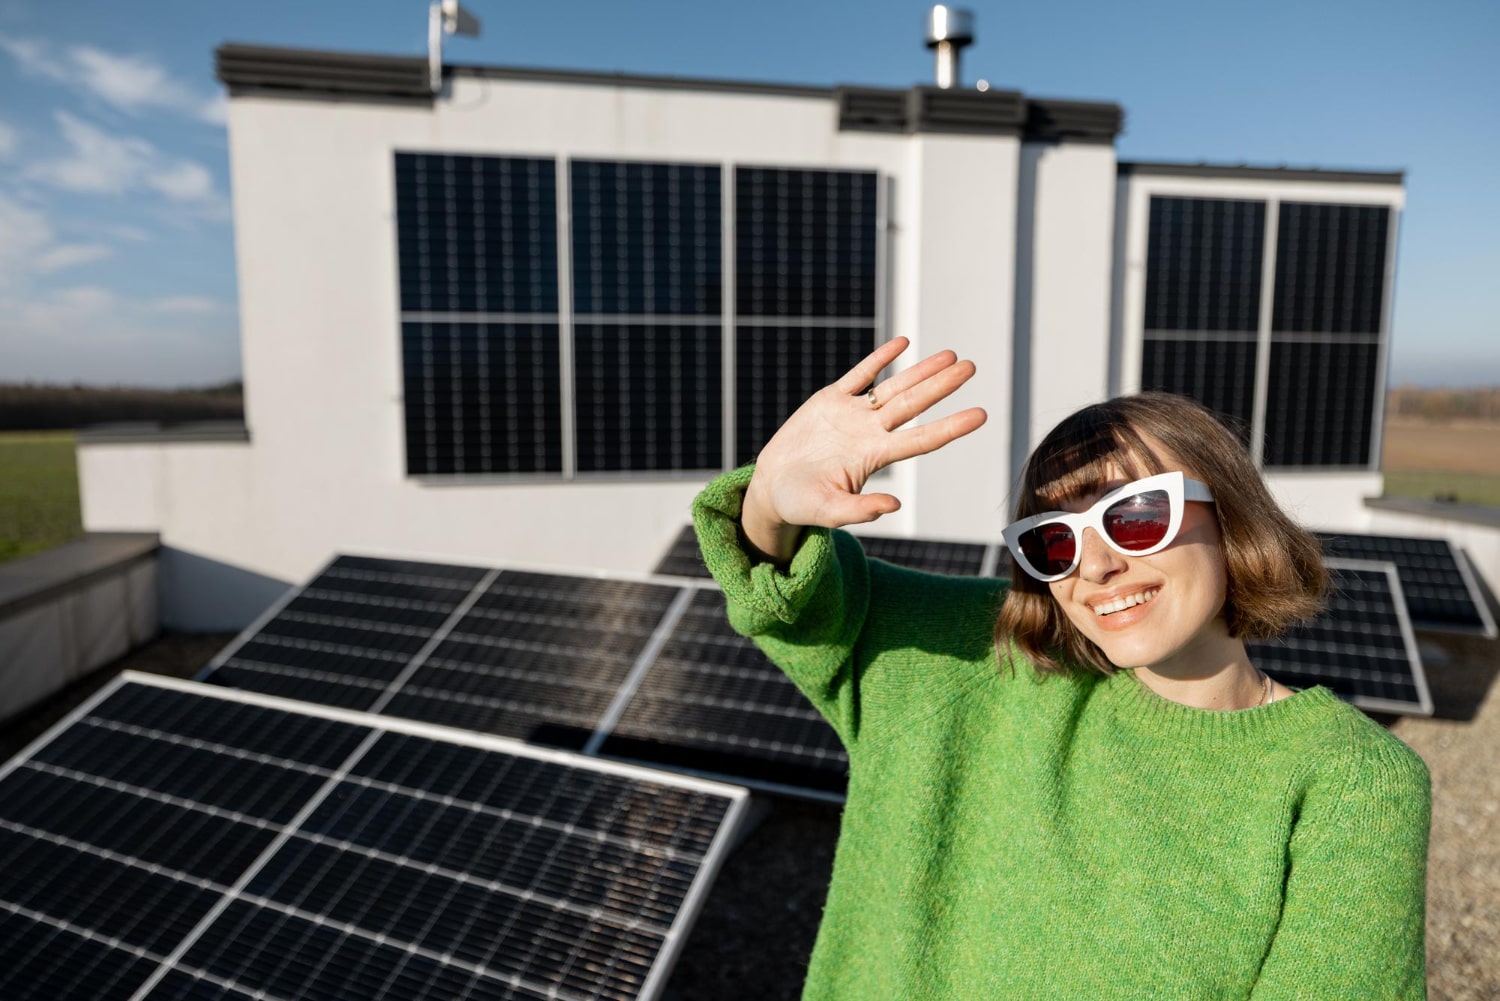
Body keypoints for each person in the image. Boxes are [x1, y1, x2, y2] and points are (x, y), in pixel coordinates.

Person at [691, 337, 1431, 1000]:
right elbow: (799, 597)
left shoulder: (1350, 781)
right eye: (1053, 541)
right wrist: (770, 502)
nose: (1099, 564)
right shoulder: (983, 667)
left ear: (1232, 513)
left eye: (1137, 514)